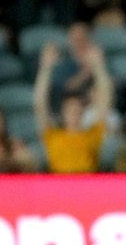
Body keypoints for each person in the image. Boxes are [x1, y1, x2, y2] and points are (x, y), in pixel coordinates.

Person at [33, 41, 113, 173]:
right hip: (59, 185)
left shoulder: (92, 135)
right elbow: (39, 104)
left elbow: (105, 98)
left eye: (78, 111)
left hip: (86, 185)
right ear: (63, 114)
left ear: (83, 113)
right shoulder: (53, 135)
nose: (74, 115)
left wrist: (98, 66)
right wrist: (45, 69)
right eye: (70, 111)